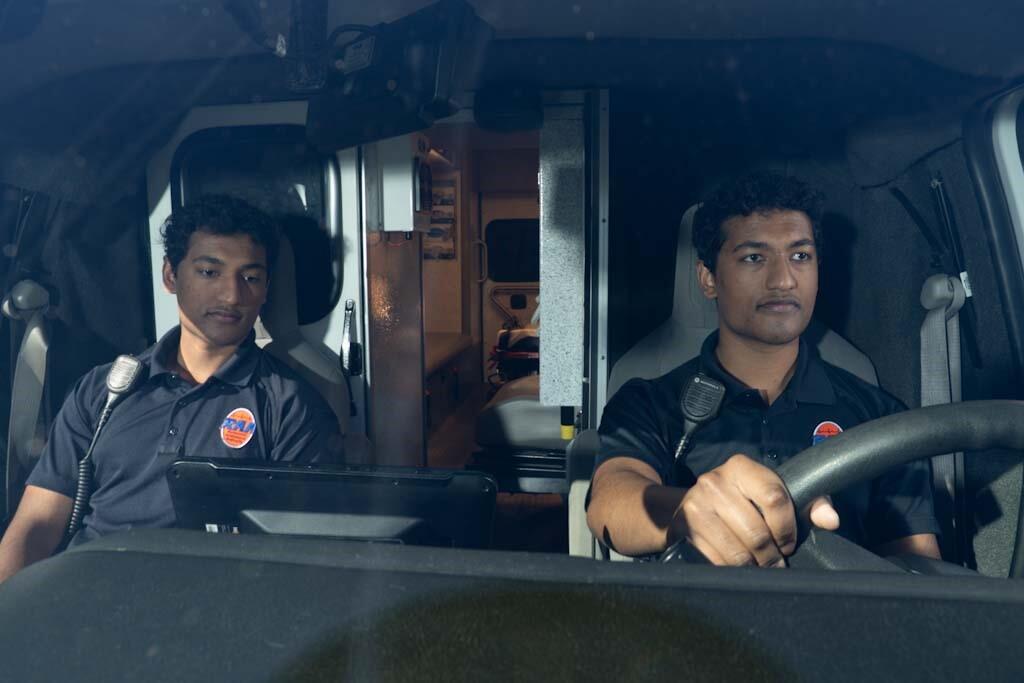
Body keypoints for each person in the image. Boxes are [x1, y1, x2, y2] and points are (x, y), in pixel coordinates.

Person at [586, 172, 941, 567]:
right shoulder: (648, 402)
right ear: (708, 279)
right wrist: (690, 511)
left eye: (800, 256)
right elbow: (612, 501)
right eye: (754, 258)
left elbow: (918, 570)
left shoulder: (881, 418)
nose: (783, 280)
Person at [0, 195, 343, 581]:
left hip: (206, 603)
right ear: (170, 276)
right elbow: (37, 524)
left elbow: (299, 559)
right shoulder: (103, 390)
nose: (232, 295)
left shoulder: (290, 406)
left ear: (266, 290)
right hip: (88, 592)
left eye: (250, 278)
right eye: (209, 272)